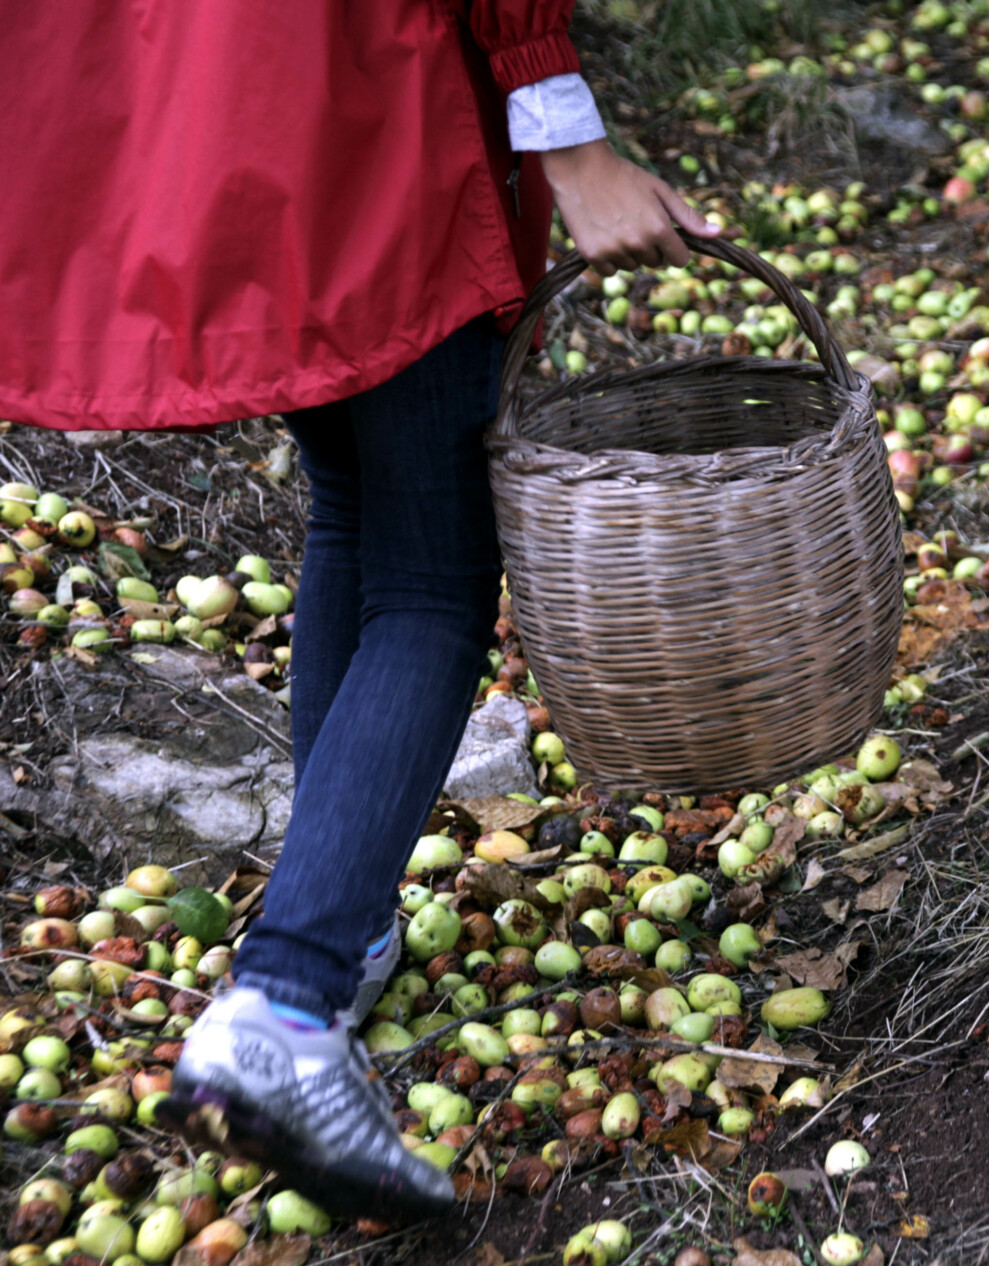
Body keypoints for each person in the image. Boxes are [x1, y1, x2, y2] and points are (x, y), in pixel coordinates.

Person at [6, 2, 714, 1219]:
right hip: (365, 110)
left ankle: (338, 929)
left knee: (359, 504)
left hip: (231, 117)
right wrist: (568, 133)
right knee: (435, 585)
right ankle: (289, 998)